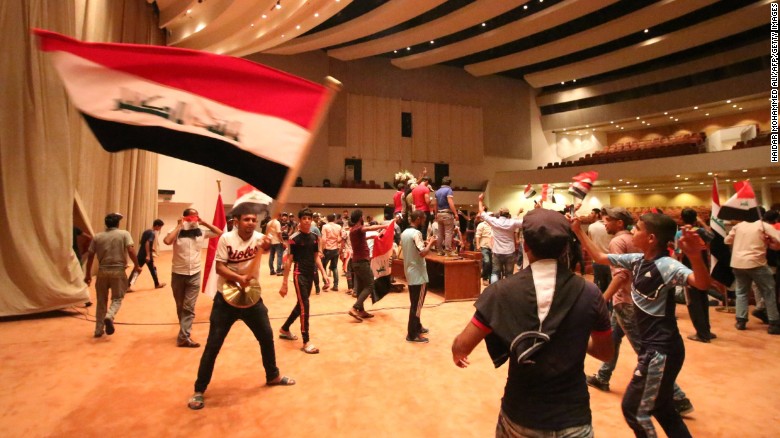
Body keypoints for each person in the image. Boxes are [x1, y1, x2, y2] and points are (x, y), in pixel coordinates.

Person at [451, 208, 613, 437]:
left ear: (525, 246)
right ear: (566, 247)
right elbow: (606, 353)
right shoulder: (591, 293)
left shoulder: (500, 293)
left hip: (521, 416)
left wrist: (457, 353)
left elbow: (462, 347)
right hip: (573, 417)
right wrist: (573, 337)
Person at [573, 212, 711, 437]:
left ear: (651, 238)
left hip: (661, 350)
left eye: (637, 229)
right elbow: (599, 256)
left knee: (634, 410)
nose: (632, 232)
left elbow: (701, 284)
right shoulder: (637, 260)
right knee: (662, 406)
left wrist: (695, 256)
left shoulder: (667, 265)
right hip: (654, 347)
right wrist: (578, 230)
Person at [187, 212, 295, 410]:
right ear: (237, 222)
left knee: (266, 336)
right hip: (226, 300)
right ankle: (199, 389)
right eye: (247, 219)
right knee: (213, 345)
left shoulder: (258, 239)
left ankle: (273, 375)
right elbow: (219, 268)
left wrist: (267, 245)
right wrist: (238, 278)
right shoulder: (226, 239)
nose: (251, 223)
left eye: (254, 220)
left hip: (251, 299)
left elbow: (268, 249)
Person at [163, 208, 223, 348]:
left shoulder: (201, 232)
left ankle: (184, 336)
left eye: (195, 218)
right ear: (184, 218)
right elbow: (167, 241)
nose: (193, 221)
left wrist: (204, 222)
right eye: (190, 218)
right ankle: (183, 330)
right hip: (178, 273)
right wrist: (179, 225)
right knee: (180, 305)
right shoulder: (176, 231)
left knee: (189, 307)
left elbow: (219, 232)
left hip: (195, 274)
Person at [279, 209, 329, 354]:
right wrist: (284, 283)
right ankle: (306, 341)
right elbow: (289, 261)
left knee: (300, 304)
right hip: (299, 274)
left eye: (309, 218)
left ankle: (284, 328)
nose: (307, 220)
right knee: (305, 307)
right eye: (304, 218)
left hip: (310, 274)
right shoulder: (294, 238)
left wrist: (324, 274)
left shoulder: (314, 237)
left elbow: (316, 257)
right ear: (300, 220)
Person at [84, 213, 142, 338]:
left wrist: (88, 274)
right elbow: (131, 250)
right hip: (118, 271)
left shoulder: (97, 237)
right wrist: (137, 265)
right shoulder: (124, 234)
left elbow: (90, 255)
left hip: (102, 271)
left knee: (101, 301)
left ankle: (98, 330)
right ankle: (109, 316)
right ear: (117, 223)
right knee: (117, 298)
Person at [725, 212, 780, 333]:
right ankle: (774, 323)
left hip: (737, 263)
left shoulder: (738, 226)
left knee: (741, 292)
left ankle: (741, 321)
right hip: (756, 263)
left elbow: (727, 240)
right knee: (768, 291)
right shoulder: (764, 226)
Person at [675, 208, 716, 342]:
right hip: (703, 268)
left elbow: (678, 253)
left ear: (681, 218)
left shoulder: (680, 233)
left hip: (689, 272)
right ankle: (706, 331)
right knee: (703, 300)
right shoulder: (702, 232)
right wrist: (702, 223)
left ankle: (701, 334)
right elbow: (713, 237)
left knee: (693, 303)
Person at [347, 209, 390, 322]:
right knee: (370, 285)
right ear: (360, 218)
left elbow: (362, 238)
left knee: (361, 287)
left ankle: (361, 311)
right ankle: (355, 307)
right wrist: (385, 226)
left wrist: (372, 237)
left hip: (356, 262)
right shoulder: (358, 228)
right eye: (362, 216)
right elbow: (369, 228)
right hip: (362, 262)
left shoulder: (353, 231)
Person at [402, 210, 436, 343]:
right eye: (423, 219)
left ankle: (418, 326)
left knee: (415, 303)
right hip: (418, 274)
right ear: (418, 219)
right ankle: (412, 334)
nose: (424, 221)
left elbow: (413, 248)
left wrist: (425, 242)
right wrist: (431, 243)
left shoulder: (405, 232)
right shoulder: (416, 233)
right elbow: (423, 253)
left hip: (410, 271)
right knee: (416, 305)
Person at [478, 194, 523, 283]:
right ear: (508, 214)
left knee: (495, 273)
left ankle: (494, 291)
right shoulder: (512, 222)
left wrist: (480, 200)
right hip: (509, 251)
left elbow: (482, 214)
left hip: (497, 251)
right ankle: (508, 291)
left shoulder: (494, 221)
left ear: (500, 213)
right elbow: (526, 222)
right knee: (509, 274)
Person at [128, 219, 166, 290]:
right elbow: (147, 243)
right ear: (157, 226)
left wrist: (151, 249)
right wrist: (148, 255)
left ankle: (128, 285)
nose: (160, 229)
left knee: (138, 270)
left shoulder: (146, 231)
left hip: (141, 254)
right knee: (152, 269)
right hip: (146, 255)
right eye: (160, 227)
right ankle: (157, 284)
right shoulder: (152, 233)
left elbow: (142, 242)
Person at [587, 208, 612, 293]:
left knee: (599, 288)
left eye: (592, 213)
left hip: (597, 261)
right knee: (611, 288)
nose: (590, 215)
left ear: (599, 214)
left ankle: (600, 305)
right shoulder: (612, 227)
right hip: (611, 260)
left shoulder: (591, 227)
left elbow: (589, 243)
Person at [434, 176, 458, 256]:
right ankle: (448, 251)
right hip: (447, 213)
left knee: (440, 233)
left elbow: (435, 204)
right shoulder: (449, 190)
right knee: (448, 233)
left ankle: (440, 251)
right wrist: (455, 213)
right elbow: (450, 202)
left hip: (439, 213)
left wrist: (435, 214)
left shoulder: (437, 191)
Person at [321, 213, 342, 292]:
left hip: (327, 249)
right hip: (335, 249)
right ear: (334, 219)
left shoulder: (325, 226)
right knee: (335, 267)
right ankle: (335, 285)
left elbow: (323, 239)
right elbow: (339, 239)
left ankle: (326, 283)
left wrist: (322, 250)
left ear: (327, 219)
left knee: (323, 267)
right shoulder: (339, 227)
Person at [474, 214, 493, 287]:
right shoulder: (481, 225)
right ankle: (484, 277)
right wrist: (478, 245)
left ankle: (491, 278)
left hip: (493, 247)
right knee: (487, 261)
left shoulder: (493, 225)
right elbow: (478, 235)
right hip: (484, 246)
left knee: (492, 263)